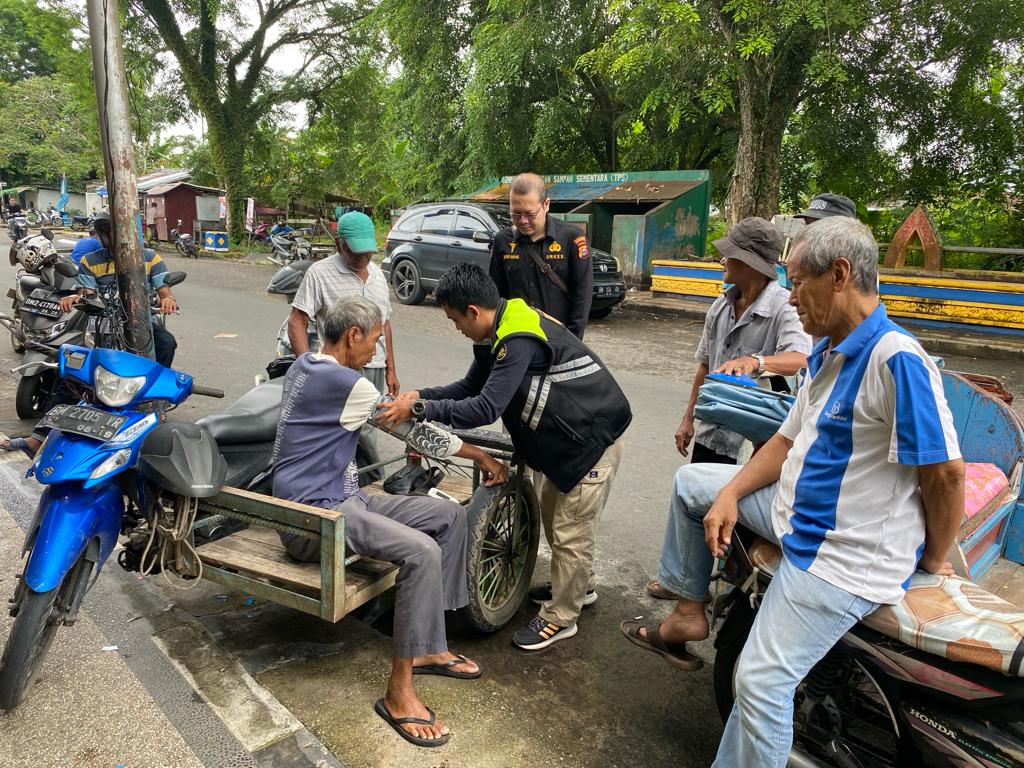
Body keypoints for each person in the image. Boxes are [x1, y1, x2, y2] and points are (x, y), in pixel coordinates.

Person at [620, 217, 965, 768]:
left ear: (841, 274)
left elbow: (945, 474)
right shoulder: (830, 351)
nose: (792, 296)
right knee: (696, 486)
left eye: (799, 280)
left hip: (839, 553)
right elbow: (785, 440)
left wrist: (936, 556)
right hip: (797, 515)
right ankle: (690, 609)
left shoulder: (894, 358)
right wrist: (732, 491)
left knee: (758, 683)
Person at [273, 296, 506, 748]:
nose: (377, 352)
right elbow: (413, 431)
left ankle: (430, 645)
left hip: (342, 499)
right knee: (422, 551)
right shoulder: (349, 384)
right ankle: (399, 695)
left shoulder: (304, 364)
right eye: (376, 340)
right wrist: (479, 454)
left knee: (449, 514)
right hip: (315, 518)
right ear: (353, 335)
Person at [378, 263, 632, 650]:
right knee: (555, 517)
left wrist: (421, 409)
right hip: (559, 439)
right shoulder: (496, 329)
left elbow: (484, 408)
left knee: (569, 531)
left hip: (588, 441)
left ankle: (563, 617)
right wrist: (420, 395)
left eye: (455, 320)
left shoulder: (516, 340)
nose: (456, 328)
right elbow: (468, 386)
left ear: (474, 312)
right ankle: (581, 585)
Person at [647, 218, 813, 600]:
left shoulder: (783, 310)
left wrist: (757, 361)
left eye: (731, 255)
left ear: (752, 264)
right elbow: (705, 365)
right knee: (696, 506)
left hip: (755, 441)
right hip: (713, 426)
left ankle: (733, 588)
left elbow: (801, 358)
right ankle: (685, 582)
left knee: (737, 517)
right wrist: (688, 416)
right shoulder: (720, 305)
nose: (723, 259)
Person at [287, 211, 398, 396]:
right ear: (339, 244)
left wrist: (391, 370)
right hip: (337, 371)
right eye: (356, 252)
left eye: (367, 252)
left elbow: (385, 324)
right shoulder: (319, 273)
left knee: (369, 421)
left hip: (375, 367)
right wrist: (307, 369)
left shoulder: (378, 275)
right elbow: (297, 321)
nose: (363, 257)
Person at [57, 210, 179, 367]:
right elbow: (86, 294)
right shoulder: (90, 261)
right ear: (104, 235)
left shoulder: (150, 258)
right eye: (118, 232)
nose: (124, 236)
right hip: (103, 321)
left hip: (142, 321)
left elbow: (165, 292)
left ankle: (153, 387)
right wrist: (76, 298)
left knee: (167, 343)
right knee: (74, 359)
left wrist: (168, 300)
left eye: (127, 231)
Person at [489, 173, 593, 339]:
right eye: (515, 214)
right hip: (517, 339)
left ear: (546, 204)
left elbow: (583, 295)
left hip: (557, 339)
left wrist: (572, 342)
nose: (522, 221)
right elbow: (496, 295)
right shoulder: (503, 241)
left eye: (530, 214)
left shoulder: (572, 239)